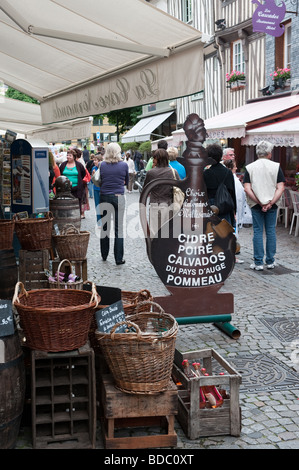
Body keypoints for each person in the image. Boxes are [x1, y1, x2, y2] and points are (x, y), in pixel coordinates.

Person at [244, 140, 285, 270]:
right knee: (271, 231)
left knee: (257, 231)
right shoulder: (276, 166)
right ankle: (270, 261)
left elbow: (247, 188)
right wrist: (270, 202)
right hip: (271, 204)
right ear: (268, 153)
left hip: (256, 204)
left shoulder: (250, 167)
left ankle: (258, 262)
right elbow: (281, 188)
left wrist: (259, 201)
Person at [99, 143, 129, 265]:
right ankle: (118, 258)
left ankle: (104, 255)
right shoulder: (124, 165)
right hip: (118, 197)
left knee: (105, 228)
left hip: (104, 196)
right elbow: (126, 181)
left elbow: (100, 180)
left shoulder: (102, 165)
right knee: (119, 229)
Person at [143, 148, 179, 238]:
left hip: (156, 205)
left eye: (154, 158)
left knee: (155, 233)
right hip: (170, 205)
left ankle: (155, 251)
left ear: (157, 159)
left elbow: (145, 189)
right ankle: (167, 251)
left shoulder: (151, 173)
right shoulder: (173, 172)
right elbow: (180, 187)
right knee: (169, 233)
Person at [204, 144, 236, 226]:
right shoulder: (228, 172)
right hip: (225, 205)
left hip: (210, 206)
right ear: (221, 156)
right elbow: (232, 192)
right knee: (225, 234)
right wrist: (234, 210)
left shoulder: (206, 173)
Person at [59, 149, 86, 213]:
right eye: (67, 155)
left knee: (76, 206)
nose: (68, 157)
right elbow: (60, 174)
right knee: (66, 206)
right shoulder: (63, 165)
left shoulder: (79, 165)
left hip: (76, 189)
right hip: (64, 189)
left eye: (70, 155)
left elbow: (83, 174)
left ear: (74, 157)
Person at [91, 155, 103, 227]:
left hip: (103, 189)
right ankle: (99, 222)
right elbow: (92, 181)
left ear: (99, 161)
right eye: (94, 160)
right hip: (96, 189)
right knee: (97, 205)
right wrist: (93, 175)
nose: (94, 161)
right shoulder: (93, 168)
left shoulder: (103, 168)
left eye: (95, 160)